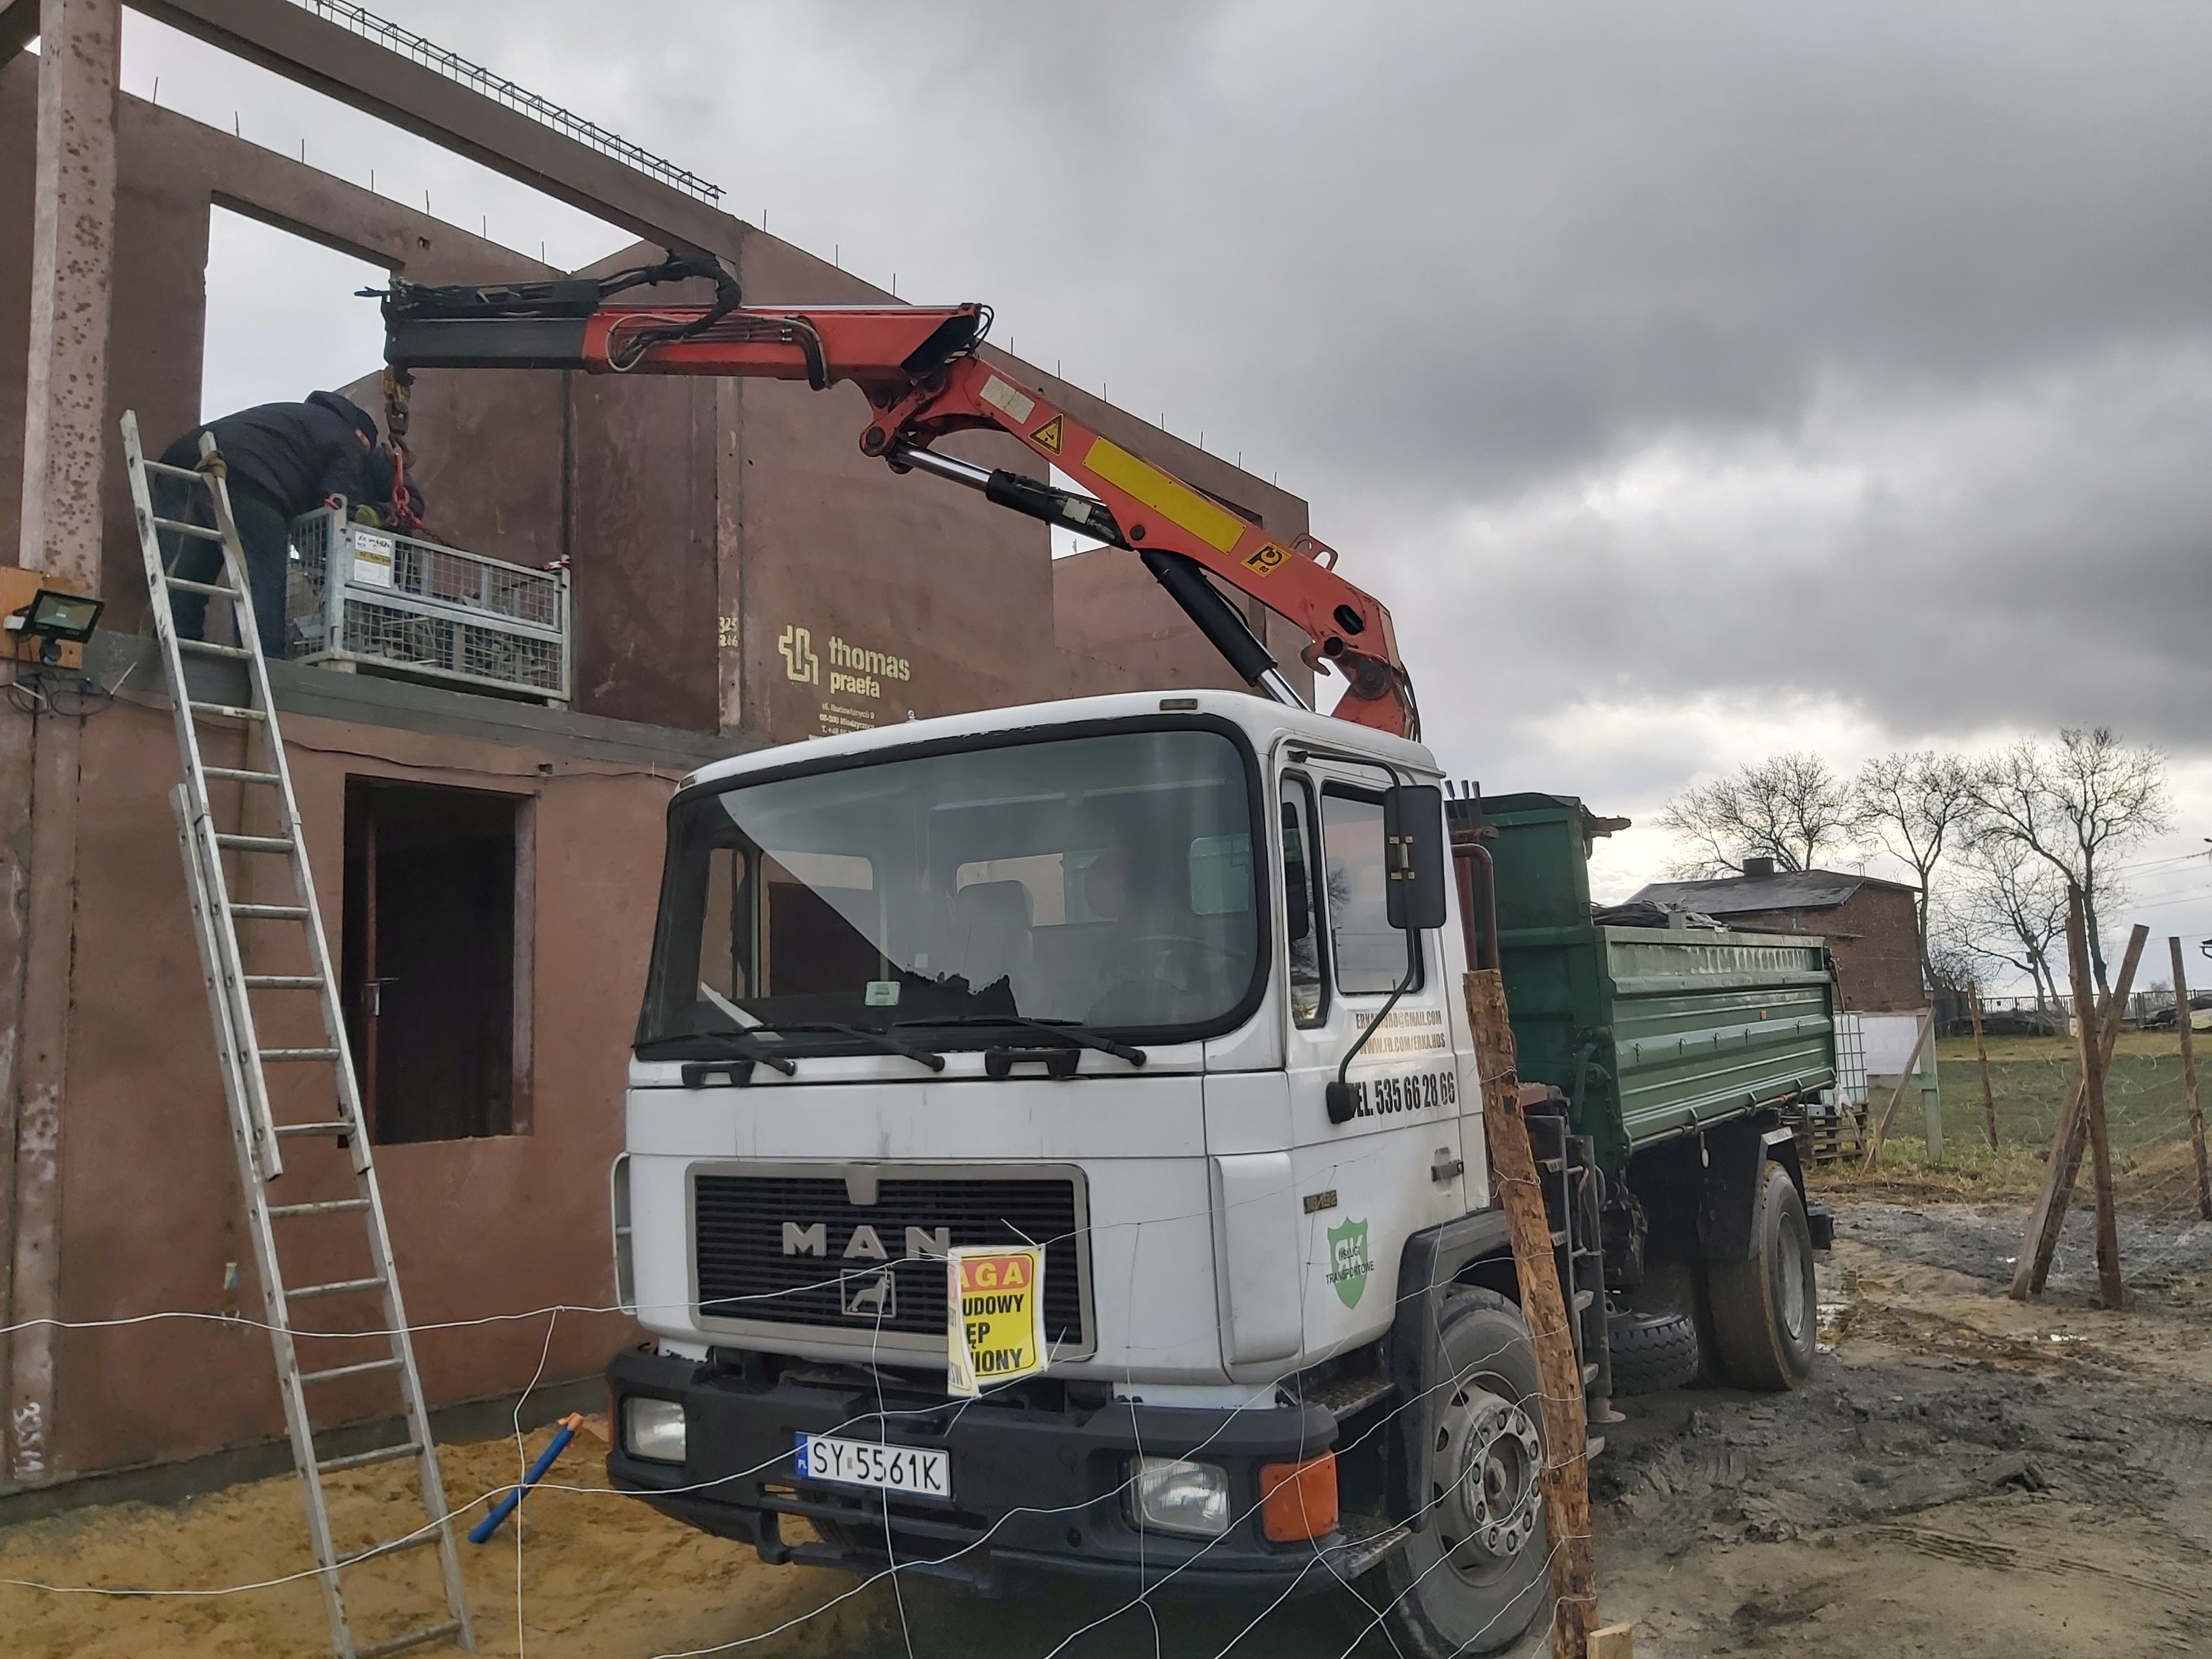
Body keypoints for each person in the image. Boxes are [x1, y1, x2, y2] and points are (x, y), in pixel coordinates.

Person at [156, 392, 400, 660]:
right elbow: (336, 502)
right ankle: (266, 664)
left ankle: (179, 652)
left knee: (188, 572)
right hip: (249, 479)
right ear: (362, 436)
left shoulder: (296, 420)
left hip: (183, 461)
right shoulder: (348, 440)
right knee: (263, 579)